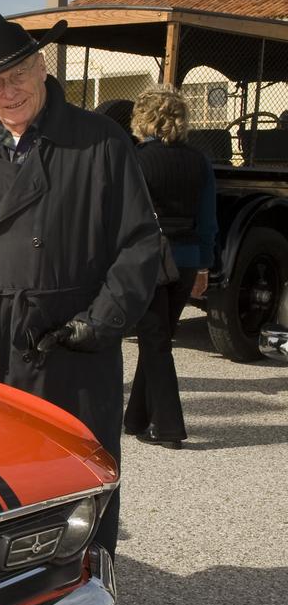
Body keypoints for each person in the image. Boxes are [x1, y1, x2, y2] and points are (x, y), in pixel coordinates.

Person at [0, 12, 161, 605]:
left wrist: (101, 319)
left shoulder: (99, 143)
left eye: (14, 76)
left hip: (69, 349)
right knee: (1, 492)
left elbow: (142, 244)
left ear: (43, 68)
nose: (5, 92)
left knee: (87, 491)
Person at [123, 85, 218, 448]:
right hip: (189, 259)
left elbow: (126, 216)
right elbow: (208, 220)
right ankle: (135, 420)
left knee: (156, 342)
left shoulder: (136, 159)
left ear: (142, 118)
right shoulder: (200, 160)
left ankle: (169, 428)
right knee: (159, 338)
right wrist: (205, 267)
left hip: (148, 259)